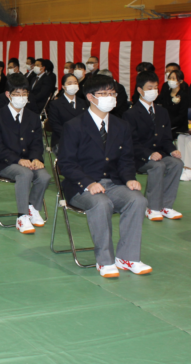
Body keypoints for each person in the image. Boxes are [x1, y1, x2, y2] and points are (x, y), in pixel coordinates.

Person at [58, 74, 150, 278]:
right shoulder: (74, 126)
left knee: (137, 200)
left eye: (112, 93)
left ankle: (128, 257)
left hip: (113, 183)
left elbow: (126, 159)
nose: (110, 97)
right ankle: (105, 260)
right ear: (90, 97)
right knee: (101, 203)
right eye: (104, 93)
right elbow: (66, 163)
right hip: (81, 185)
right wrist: (88, 183)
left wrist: (130, 178)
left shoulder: (121, 125)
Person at [0, 73, 51, 234]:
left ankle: (32, 208)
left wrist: (36, 158)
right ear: (8, 95)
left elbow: (37, 142)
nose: (21, 98)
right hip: (5, 162)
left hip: (29, 161)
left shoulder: (33, 117)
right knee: (25, 174)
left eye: (24, 94)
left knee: (44, 176)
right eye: (17, 94)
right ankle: (22, 217)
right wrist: (18, 160)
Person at [124, 71, 184, 221]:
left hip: (160, 154)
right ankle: (152, 207)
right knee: (157, 166)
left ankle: (166, 205)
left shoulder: (162, 111)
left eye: (155, 87)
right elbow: (131, 142)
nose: (153, 91)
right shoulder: (130, 114)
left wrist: (172, 150)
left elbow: (166, 138)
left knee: (177, 163)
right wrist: (149, 154)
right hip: (139, 157)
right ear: (140, 90)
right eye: (149, 87)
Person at [47, 73, 88, 154]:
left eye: (75, 83)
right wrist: (72, 136)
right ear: (63, 87)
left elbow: (87, 122)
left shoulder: (84, 103)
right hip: (62, 139)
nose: (73, 85)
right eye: (69, 83)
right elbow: (55, 125)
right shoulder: (55, 104)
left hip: (82, 139)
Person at [158, 69, 189, 137]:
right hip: (166, 124)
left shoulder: (183, 96)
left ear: (180, 81)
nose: (171, 80)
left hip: (179, 127)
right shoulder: (166, 94)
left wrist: (169, 124)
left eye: (173, 78)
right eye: (169, 78)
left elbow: (182, 116)